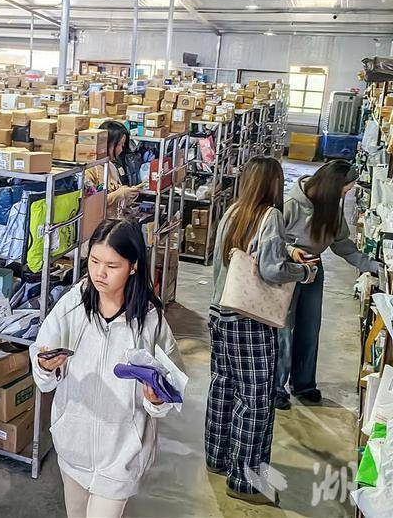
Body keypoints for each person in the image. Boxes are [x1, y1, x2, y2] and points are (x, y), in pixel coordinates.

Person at [30, 217, 179, 518]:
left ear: (133, 266)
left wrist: (157, 399)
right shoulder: (73, 304)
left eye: (112, 266)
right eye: (94, 261)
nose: (99, 273)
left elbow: (172, 381)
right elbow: (42, 355)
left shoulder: (150, 320)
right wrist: (45, 366)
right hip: (73, 446)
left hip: (122, 455)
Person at [207, 156, 317, 506]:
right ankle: (245, 481)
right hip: (249, 321)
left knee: (223, 387)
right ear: (274, 184)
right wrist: (303, 273)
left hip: (220, 313)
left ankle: (218, 457)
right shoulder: (271, 215)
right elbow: (271, 270)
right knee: (255, 400)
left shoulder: (234, 212)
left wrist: (288, 249)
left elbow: (250, 250)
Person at [276, 159, 380, 409]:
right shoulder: (291, 204)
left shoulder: (331, 208)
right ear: (332, 187)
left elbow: (342, 244)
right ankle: (276, 388)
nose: (346, 195)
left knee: (309, 327)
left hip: (314, 269)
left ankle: (303, 385)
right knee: (283, 331)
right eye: (345, 190)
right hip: (289, 270)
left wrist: (374, 266)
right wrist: (292, 251)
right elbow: (272, 240)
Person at [84, 121, 143, 216]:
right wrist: (119, 194)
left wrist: (129, 194)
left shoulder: (111, 166)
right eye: (119, 144)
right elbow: (90, 203)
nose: (121, 149)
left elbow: (117, 193)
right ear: (106, 143)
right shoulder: (89, 169)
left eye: (122, 145)